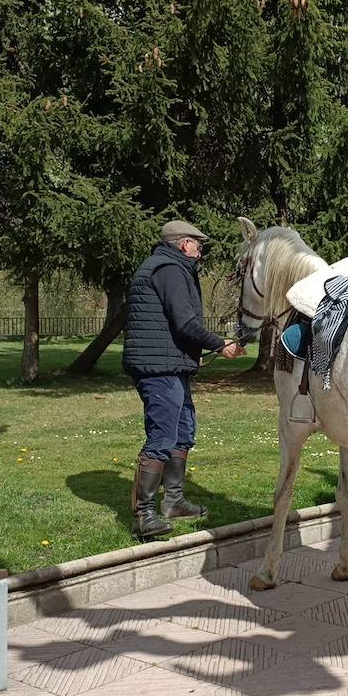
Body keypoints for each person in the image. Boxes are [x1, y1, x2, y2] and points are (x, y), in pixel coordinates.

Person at [122, 220, 246, 539]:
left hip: (169, 364)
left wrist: (189, 357)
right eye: (197, 243)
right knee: (162, 435)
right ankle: (143, 516)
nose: (200, 249)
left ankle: (173, 502)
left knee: (183, 431)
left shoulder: (169, 267)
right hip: (158, 370)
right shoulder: (169, 269)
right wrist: (221, 343)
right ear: (183, 244)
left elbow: (169, 325)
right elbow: (184, 322)